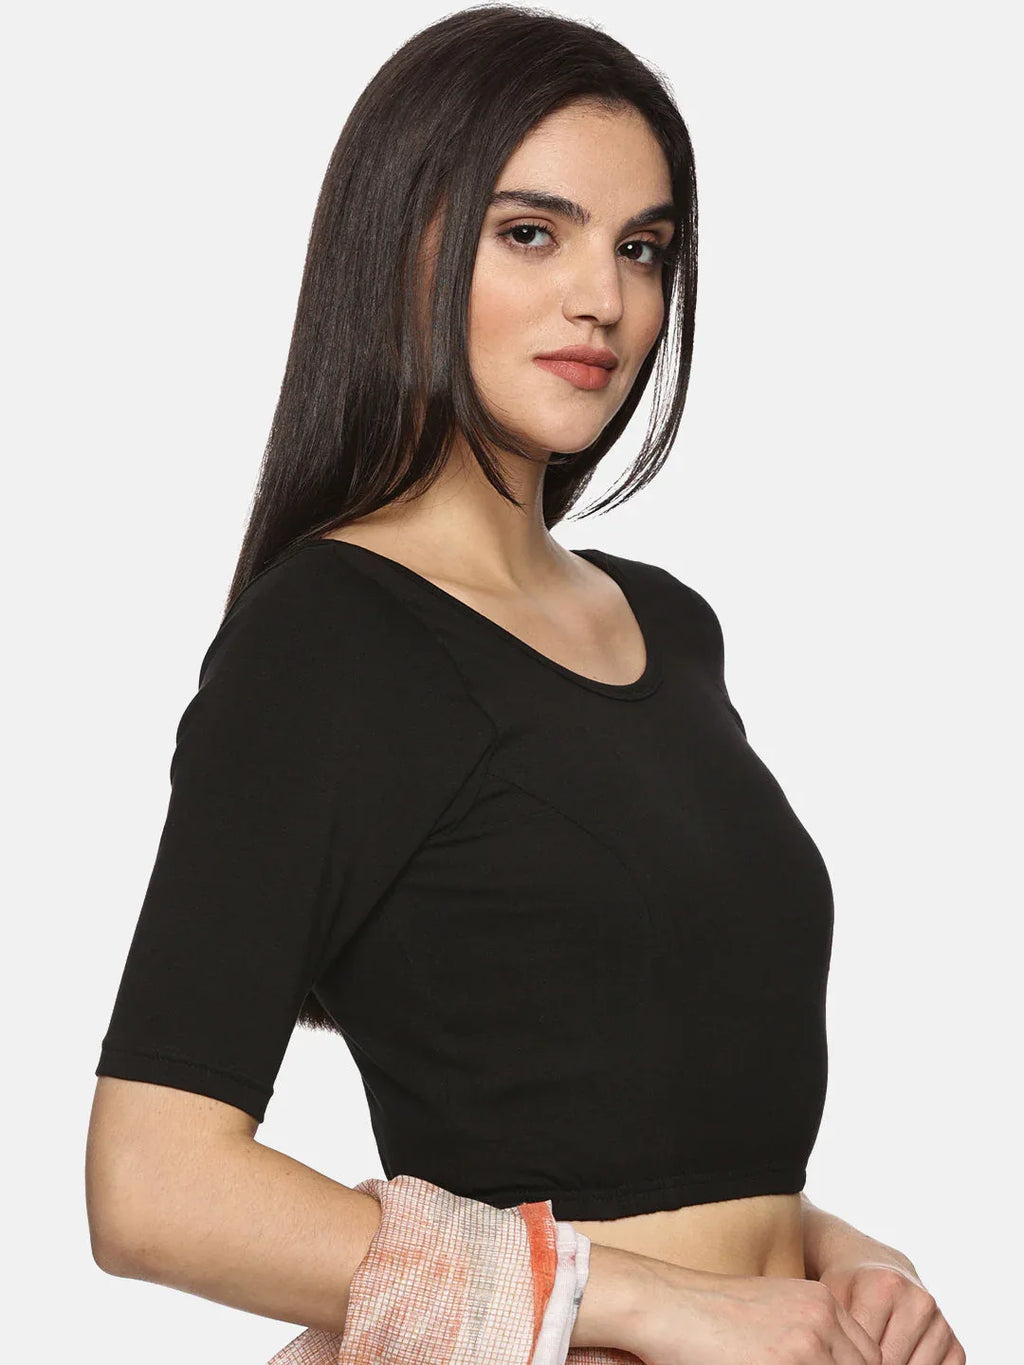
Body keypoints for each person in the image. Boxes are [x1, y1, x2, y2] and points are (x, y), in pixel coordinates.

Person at [85, 6, 965, 1364]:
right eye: (533, 233)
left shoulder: (668, 626)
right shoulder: (328, 637)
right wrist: (656, 1302)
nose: (603, 298)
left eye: (643, 248)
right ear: (404, 246)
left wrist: (839, 1255)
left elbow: (639, 1123)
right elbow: (152, 1185)